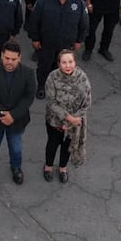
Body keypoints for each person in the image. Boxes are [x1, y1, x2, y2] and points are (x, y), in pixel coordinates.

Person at [0, 41, 36, 184]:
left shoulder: (28, 73)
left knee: (16, 146)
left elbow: (29, 97)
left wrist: (13, 115)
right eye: (7, 58)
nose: (10, 62)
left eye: (13, 59)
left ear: (19, 58)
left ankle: (16, 168)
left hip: (17, 119)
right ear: (1, 55)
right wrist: (3, 114)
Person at [26, 0, 89, 98]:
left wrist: (79, 40)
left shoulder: (78, 2)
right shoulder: (43, 0)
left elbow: (84, 23)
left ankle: (58, 88)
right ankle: (42, 86)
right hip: (47, 43)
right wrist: (35, 38)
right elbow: (34, 21)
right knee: (44, 66)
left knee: (63, 68)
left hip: (66, 45)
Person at [43, 49, 91, 183]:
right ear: (59, 64)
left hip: (75, 122)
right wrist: (68, 119)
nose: (67, 65)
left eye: (70, 62)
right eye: (64, 62)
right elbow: (51, 102)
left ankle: (63, 168)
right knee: (52, 144)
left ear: (75, 62)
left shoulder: (82, 77)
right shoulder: (52, 77)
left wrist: (73, 120)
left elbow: (87, 103)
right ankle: (48, 166)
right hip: (55, 121)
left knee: (67, 146)